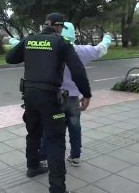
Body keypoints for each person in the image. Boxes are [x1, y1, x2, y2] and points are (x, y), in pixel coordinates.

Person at [6, 13, 92, 193]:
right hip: (50, 97)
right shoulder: (61, 43)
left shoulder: (30, 39)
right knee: (55, 140)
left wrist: (29, 50)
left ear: (46, 24)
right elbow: (77, 70)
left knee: (33, 132)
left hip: (29, 95)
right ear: (59, 26)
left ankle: (33, 166)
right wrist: (87, 94)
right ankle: (57, 188)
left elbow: (10, 58)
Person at [37, 22, 112, 167]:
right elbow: (101, 49)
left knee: (50, 127)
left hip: (54, 96)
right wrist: (107, 37)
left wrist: (13, 40)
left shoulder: (49, 49)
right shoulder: (81, 50)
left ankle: (43, 156)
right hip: (72, 98)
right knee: (75, 127)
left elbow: (22, 47)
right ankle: (75, 156)